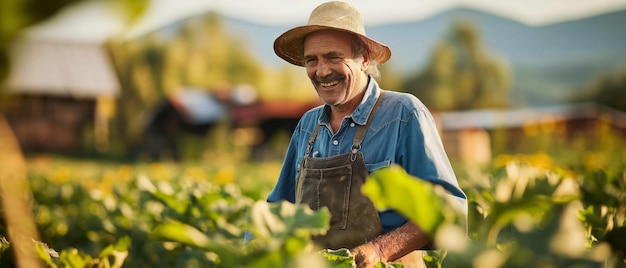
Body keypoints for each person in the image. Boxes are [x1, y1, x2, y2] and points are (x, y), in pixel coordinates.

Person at [266, 1, 467, 267]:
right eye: (311, 60)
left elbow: (449, 210)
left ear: (364, 59)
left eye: (334, 57)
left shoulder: (404, 114)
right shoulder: (307, 125)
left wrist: (380, 250)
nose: (322, 71)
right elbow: (275, 213)